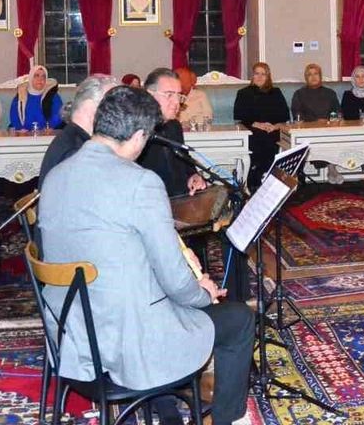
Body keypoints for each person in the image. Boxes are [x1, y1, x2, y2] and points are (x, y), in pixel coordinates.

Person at [39, 86, 254, 425]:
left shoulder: (56, 175)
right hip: (128, 346)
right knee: (239, 319)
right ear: (139, 136)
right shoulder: (140, 182)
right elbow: (175, 281)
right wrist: (202, 293)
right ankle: (229, 419)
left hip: (73, 343)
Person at [139, 68, 209, 199]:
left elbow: (185, 160)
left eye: (179, 96)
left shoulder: (174, 126)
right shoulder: (137, 131)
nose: (177, 102)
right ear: (149, 94)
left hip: (182, 199)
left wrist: (194, 176)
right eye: (169, 95)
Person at [39, 75, 118, 184]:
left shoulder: (73, 138)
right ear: (90, 106)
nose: (118, 114)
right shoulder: (76, 151)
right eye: (112, 106)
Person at [233, 62, 289, 188]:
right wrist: (256, 124)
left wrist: (274, 126)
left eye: (263, 74)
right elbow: (239, 115)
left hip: (272, 129)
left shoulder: (276, 92)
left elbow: (284, 115)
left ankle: (261, 176)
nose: (259, 77)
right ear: (252, 76)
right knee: (260, 139)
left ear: (268, 77)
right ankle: (255, 179)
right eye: (257, 73)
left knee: (272, 140)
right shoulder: (243, 93)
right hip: (251, 128)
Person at [291, 63, 343, 184]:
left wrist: (329, 121)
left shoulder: (330, 93)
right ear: (306, 77)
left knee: (334, 137)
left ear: (320, 76)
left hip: (329, 128)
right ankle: (299, 174)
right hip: (308, 130)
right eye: (310, 74)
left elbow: (337, 112)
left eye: (316, 74)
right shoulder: (299, 94)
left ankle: (332, 169)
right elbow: (297, 114)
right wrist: (315, 122)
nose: (313, 77)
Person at [10, 65, 63, 131]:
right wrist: (20, 129)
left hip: (47, 133)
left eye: (43, 76)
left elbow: (58, 115)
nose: (40, 79)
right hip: (24, 134)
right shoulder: (21, 95)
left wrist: (49, 127)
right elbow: (14, 117)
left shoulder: (53, 96)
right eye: (36, 76)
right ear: (31, 78)